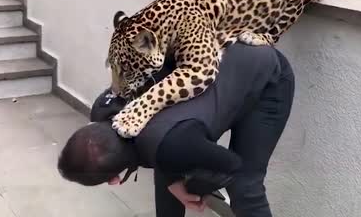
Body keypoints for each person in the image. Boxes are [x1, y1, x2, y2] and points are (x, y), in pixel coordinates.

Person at [58, 42, 295, 217]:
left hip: (266, 77)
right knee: (168, 164)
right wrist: (176, 183)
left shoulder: (171, 141)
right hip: (217, 77)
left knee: (244, 185)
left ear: (114, 180)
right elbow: (162, 152)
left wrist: (195, 187)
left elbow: (231, 165)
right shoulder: (104, 110)